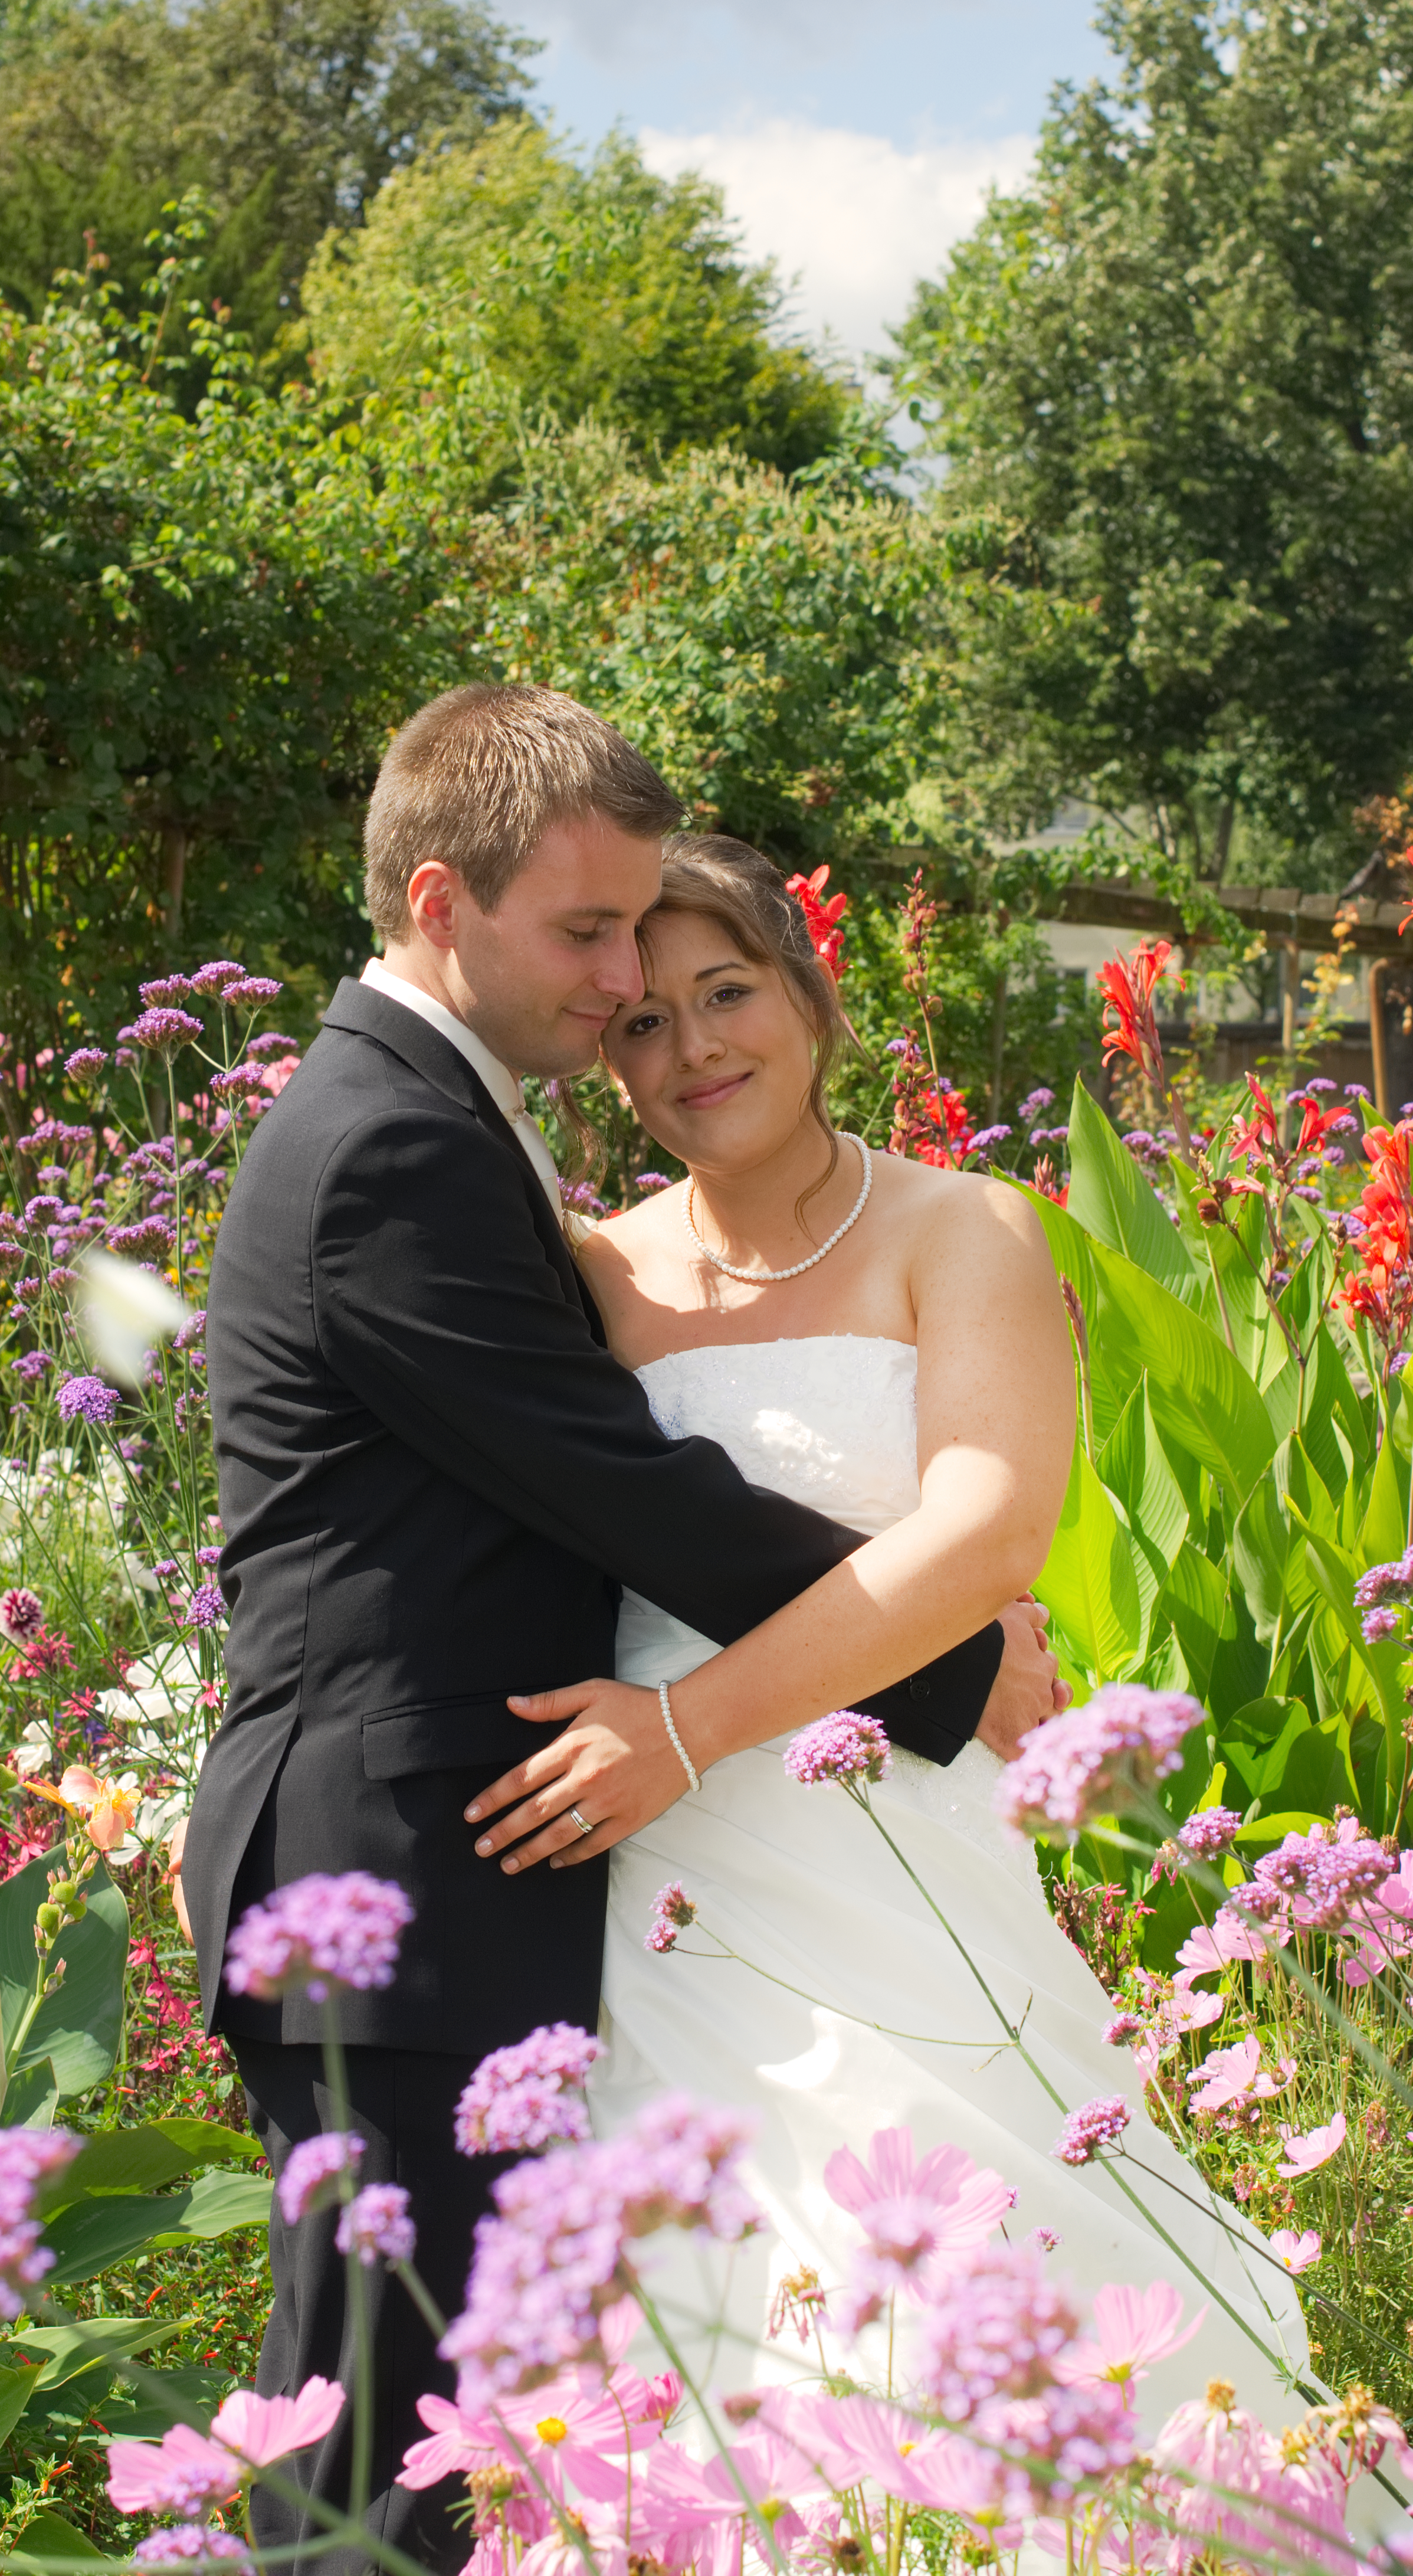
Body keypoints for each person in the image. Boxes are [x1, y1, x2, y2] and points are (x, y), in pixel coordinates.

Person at [179, 688, 1061, 2574]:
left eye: (679, 962)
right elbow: (621, 1487)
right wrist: (955, 1665)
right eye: (592, 945)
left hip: (557, 1866)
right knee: (379, 2467)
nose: (625, 999)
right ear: (441, 901)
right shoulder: (393, 1149)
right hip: (407, 1866)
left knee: (492, 2435)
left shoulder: (453, 1127)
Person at [478, 834, 1312, 2435]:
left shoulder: (964, 1230)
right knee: (707, 2324)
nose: (696, 1047)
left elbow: (985, 1535)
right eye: (645, 1022)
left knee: (980, 2274)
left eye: (728, 993)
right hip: (664, 1882)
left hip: (898, 1835)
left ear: (812, 990)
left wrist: (686, 1728)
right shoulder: (590, 1275)